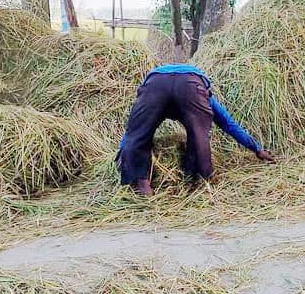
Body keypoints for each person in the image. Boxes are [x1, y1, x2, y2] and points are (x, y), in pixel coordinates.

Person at [117, 64, 275, 195]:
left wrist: (122, 152)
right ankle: (201, 180)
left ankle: (142, 184)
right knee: (199, 134)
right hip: (191, 85)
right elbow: (229, 124)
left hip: (155, 84)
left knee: (138, 134)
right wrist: (256, 149)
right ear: (207, 94)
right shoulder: (207, 97)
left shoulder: (157, 82)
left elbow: (133, 131)